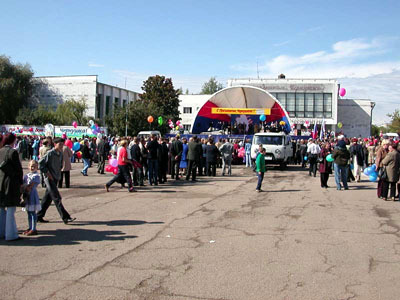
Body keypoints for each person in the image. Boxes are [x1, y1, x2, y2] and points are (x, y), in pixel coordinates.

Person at [37, 138, 75, 224]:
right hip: (49, 178)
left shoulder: (60, 154)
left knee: (47, 199)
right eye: (60, 144)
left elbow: (61, 164)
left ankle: (39, 215)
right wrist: (47, 173)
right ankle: (66, 217)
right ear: (55, 144)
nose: (61, 146)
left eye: (62, 144)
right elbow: (40, 163)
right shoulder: (50, 153)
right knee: (57, 198)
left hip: (56, 177)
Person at [0, 133, 23, 241]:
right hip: (10, 183)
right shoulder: (12, 152)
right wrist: (20, 182)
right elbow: (18, 169)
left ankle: (2, 232)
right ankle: (11, 234)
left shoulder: (0, 151)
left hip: (1, 183)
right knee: (10, 210)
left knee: (1, 209)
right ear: (13, 141)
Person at [22, 160, 41, 236]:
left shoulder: (36, 176)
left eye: (34, 166)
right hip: (27, 195)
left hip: (32, 194)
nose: (32, 168)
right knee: (29, 212)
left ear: (37, 167)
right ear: (28, 167)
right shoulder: (26, 175)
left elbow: (31, 186)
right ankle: (30, 227)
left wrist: (25, 188)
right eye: (31, 166)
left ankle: (34, 228)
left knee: (33, 212)